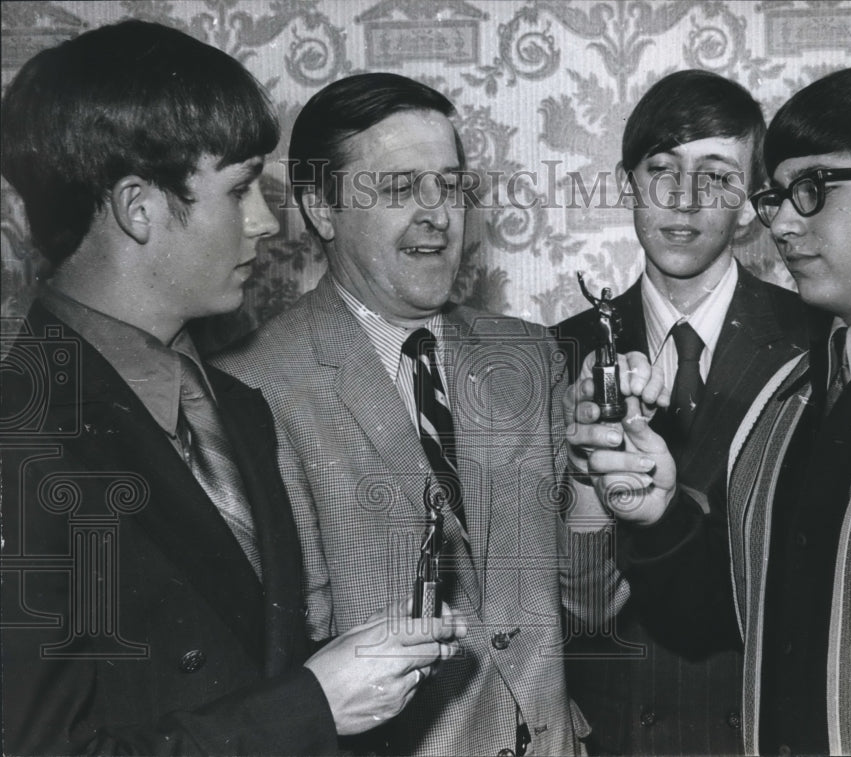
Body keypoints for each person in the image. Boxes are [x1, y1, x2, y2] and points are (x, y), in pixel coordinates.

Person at [0, 21, 465, 756]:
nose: (267, 221)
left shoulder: (234, 407)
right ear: (138, 207)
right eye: (242, 188)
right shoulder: (20, 437)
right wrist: (312, 703)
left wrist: (356, 673)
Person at [571, 63, 851, 756]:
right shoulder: (786, 402)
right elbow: (728, 616)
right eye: (777, 196)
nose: (782, 224)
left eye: (813, 190)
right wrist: (657, 511)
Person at [215, 72, 622, 756]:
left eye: (452, 184)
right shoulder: (249, 389)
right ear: (321, 207)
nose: (439, 213)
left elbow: (589, 610)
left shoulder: (531, 356)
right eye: (401, 188)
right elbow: (277, 669)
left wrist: (590, 481)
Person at [556, 69, 807, 756]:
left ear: (755, 203)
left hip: (758, 725)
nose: (686, 201)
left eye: (717, 177)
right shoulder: (557, 353)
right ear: (625, 184)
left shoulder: (817, 342)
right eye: (662, 169)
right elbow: (569, 609)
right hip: (613, 731)